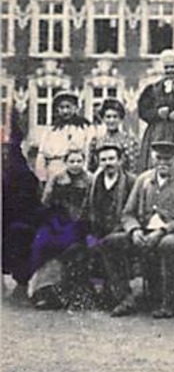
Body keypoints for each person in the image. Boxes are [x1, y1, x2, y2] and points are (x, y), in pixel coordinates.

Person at [121, 139, 174, 318]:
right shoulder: (143, 180)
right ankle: (125, 297)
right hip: (145, 231)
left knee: (168, 244)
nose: (163, 164)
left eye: (168, 160)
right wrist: (134, 230)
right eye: (159, 159)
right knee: (110, 243)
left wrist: (163, 230)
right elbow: (128, 213)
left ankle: (170, 301)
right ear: (153, 159)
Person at [27, 148, 93, 309]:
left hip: (80, 222)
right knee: (41, 242)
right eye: (72, 161)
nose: (75, 165)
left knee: (67, 246)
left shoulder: (90, 179)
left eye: (79, 161)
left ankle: (61, 291)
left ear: (84, 162)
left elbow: (91, 205)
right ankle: (41, 290)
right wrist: (52, 220)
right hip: (57, 220)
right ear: (65, 162)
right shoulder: (57, 178)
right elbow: (46, 201)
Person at [83, 140, 136, 313]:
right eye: (104, 160)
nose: (108, 163)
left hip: (124, 230)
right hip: (99, 229)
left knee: (110, 244)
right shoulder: (94, 182)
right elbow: (87, 209)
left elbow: (136, 212)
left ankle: (125, 298)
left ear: (120, 160)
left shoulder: (130, 181)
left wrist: (125, 228)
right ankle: (99, 294)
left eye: (112, 159)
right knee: (79, 245)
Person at [2, 111, 45, 289]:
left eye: (5, 148)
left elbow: (30, 195)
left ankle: (21, 275)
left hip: (15, 214)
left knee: (19, 232)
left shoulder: (19, 169)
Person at [137, 49, 174, 173]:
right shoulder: (153, 88)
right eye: (166, 67)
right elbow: (142, 111)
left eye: (172, 67)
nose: (169, 70)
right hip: (157, 132)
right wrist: (157, 113)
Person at [34, 90, 91, 185]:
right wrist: (42, 178)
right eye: (62, 107)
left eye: (68, 107)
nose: (65, 111)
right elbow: (41, 155)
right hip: (53, 171)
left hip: (76, 171)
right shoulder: (50, 130)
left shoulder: (85, 128)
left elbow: (88, 152)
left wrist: (84, 174)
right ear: (57, 109)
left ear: (75, 108)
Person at [88, 98, 140, 173]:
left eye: (115, 116)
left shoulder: (129, 140)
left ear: (120, 119)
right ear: (103, 119)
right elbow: (91, 167)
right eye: (108, 117)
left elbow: (133, 167)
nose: (111, 120)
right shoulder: (96, 141)